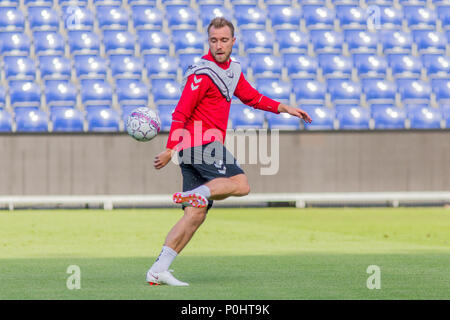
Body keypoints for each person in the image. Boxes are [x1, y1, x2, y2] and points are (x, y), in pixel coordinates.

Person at [146, 17, 312, 286]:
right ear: (208, 41)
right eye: (214, 40)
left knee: (195, 214)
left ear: (234, 41)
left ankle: (158, 269)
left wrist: (285, 108)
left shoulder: (232, 70)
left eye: (224, 40)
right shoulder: (202, 73)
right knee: (241, 184)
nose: (219, 45)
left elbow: (253, 98)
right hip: (200, 144)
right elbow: (181, 113)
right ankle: (196, 193)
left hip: (197, 147)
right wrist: (169, 150)